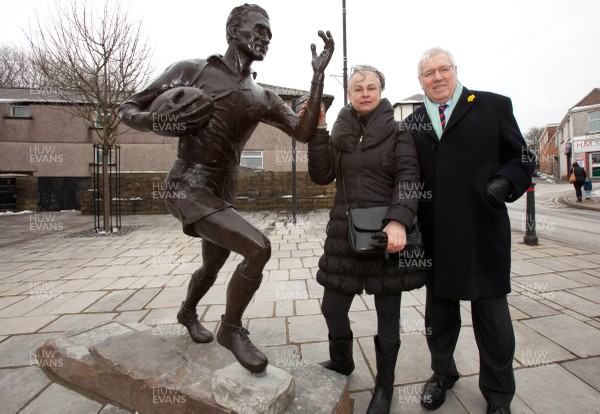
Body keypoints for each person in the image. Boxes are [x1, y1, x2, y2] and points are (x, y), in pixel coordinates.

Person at [118, 4, 334, 374]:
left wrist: (317, 79)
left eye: (270, 33)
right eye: (259, 29)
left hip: (221, 189)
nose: (266, 38)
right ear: (234, 31)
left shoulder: (261, 96)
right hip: (187, 183)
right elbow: (127, 107)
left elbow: (303, 131)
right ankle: (231, 330)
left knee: (212, 264)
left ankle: (187, 313)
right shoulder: (192, 70)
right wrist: (153, 119)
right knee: (258, 248)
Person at [403, 47, 535, 414]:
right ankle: (442, 374)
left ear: (455, 71)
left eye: (443, 69)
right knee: (439, 317)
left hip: (482, 233)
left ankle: (498, 395)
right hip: (435, 239)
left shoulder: (492, 106)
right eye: (429, 73)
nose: (438, 77)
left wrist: (504, 184)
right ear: (420, 82)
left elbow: (523, 158)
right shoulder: (411, 124)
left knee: (492, 321)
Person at [306, 65, 425, 414]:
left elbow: (409, 177)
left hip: (387, 237)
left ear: (381, 91)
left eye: (372, 87)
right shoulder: (339, 130)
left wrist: (399, 220)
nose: (365, 93)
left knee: (387, 316)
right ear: (349, 94)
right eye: (358, 88)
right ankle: (342, 362)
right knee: (332, 308)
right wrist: (317, 129)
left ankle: (384, 388)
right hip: (344, 234)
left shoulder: (398, 131)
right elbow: (321, 175)